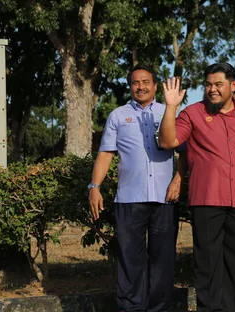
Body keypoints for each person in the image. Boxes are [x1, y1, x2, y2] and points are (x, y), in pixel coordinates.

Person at [158, 63, 235, 312]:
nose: (212, 89)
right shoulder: (192, 113)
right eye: (208, 84)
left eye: (218, 84)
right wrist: (170, 107)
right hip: (207, 201)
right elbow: (168, 141)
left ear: (233, 86)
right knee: (208, 264)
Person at [88, 64, 182, 312]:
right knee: (130, 260)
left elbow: (187, 153)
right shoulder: (118, 115)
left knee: (163, 261)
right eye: (135, 83)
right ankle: (131, 308)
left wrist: (179, 179)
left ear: (155, 85)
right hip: (129, 199)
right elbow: (106, 154)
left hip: (165, 199)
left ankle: (159, 308)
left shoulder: (169, 112)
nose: (140, 87)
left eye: (146, 82)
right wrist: (94, 186)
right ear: (130, 86)